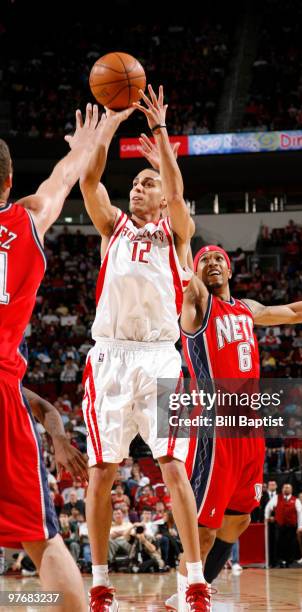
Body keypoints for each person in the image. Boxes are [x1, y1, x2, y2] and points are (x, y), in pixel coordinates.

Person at [165, 240, 302, 608]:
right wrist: (179, 226)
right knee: (203, 530)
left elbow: (296, 312)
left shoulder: (247, 309)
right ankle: (187, 592)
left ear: (232, 269)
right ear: (195, 272)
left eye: (220, 257)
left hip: (250, 428)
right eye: (205, 260)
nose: (213, 262)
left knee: (236, 522)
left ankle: (195, 590)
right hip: (215, 427)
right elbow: (183, 250)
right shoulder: (197, 305)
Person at [76, 85, 210, 612]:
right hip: (109, 357)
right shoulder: (112, 226)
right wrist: (108, 124)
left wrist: (160, 137)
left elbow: (178, 195)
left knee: (173, 466)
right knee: (101, 472)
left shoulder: (177, 235)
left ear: (162, 196)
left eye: (147, 182)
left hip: (159, 358)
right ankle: (101, 583)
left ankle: (195, 581)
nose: (139, 187)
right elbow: (90, 180)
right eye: (135, 181)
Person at [0, 105, 103, 612]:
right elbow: (64, 179)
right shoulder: (29, 219)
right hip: (3, 393)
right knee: (41, 539)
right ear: (10, 180)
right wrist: (87, 142)